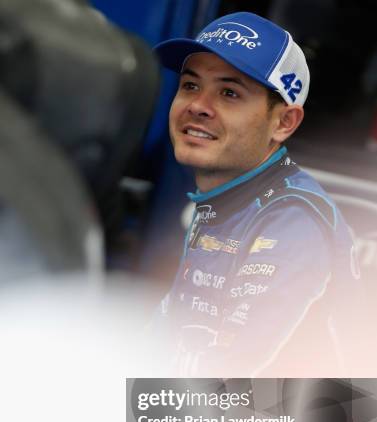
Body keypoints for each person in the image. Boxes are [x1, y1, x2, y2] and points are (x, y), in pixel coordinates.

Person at [153, 11, 363, 377]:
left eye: (229, 92)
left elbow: (230, 386)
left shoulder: (292, 221)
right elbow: (162, 341)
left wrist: (122, 410)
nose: (198, 105)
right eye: (190, 85)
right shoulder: (223, 203)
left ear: (284, 122)